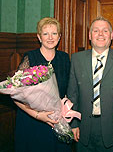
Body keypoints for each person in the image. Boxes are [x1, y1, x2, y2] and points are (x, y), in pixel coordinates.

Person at [67, 16, 113, 152]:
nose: (101, 34)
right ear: (90, 36)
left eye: (105, 31)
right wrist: (73, 124)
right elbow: (73, 93)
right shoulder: (77, 59)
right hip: (83, 127)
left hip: (112, 128)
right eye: (96, 31)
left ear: (111, 35)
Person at [14, 17, 71, 152]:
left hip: (57, 120)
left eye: (54, 33)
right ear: (39, 37)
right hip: (32, 121)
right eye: (45, 34)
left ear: (59, 37)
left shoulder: (65, 58)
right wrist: (37, 115)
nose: (50, 38)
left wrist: (65, 110)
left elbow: (69, 89)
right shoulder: (30, 58)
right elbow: (16, 93)